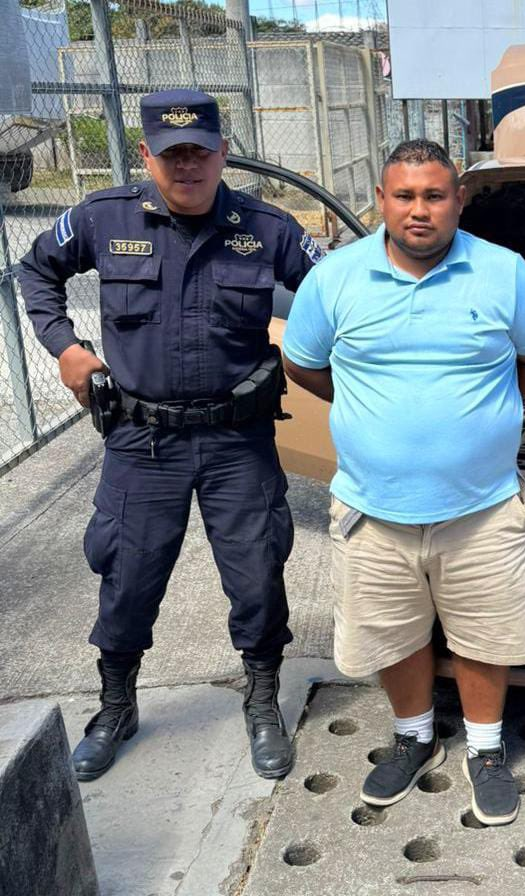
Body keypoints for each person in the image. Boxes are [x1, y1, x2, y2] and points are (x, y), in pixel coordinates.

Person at [19, 89, 323, 781]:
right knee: (127, 574)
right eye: (171, 154)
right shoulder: (103, 218)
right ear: (145, 155)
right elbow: (38, 271)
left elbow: (337, 294)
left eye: (199, 152)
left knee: (256, 576)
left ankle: (263, 699)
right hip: (140, 440)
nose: (186, 166)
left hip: (236, 442)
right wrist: (65, 346)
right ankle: (116, 704)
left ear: (222, 152)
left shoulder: (267, 228)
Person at [281, 139, 525, 826]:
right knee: (395, 632)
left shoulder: (506, 273)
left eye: (434, 195)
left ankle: (487, 749)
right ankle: (413, 737)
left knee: (484, 635)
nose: (419, 210)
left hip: (482, 506)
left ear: (458, 200)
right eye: (403, 196)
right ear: (380, 200)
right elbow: (304, 365)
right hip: (374, 509)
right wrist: (375, 413)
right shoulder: (336, 278)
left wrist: (481, 419)